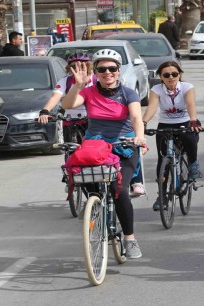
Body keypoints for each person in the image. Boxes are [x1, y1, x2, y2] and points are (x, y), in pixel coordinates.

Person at [60, 48, 147, 258]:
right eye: (102, 69)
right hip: (95, 147)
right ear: (95, 72)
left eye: (112, 68)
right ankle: (95, 209)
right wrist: (78, 87)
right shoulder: (88, 92)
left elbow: (136, 117)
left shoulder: (128, 93)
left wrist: (139, 136)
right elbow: (67, 105)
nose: (107, 72)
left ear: (118, 71)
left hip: (123, 146)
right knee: (89, 185)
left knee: (121, 191)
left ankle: (130, 239)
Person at [142, 61, 202, 210]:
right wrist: (143, 122)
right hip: (165, 125)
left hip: (186, 122)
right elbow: (152, 107)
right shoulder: (156, 89)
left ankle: (193, 164)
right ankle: (162, 196)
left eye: (174, 74)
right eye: (166, 75)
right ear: (160, 77)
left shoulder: (187, 87)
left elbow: (190, 104)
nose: (171, 77)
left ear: (179, 75)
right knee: (162, 159)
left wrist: (193, 120)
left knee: (190, 140)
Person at [38, 52, 95, 141]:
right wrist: (45, 111)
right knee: (68, 148)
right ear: (69, 68)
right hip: (69, 119)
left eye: (81, 65)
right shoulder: (65, 81)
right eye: (73, 66)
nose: (77, 69)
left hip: (91, 119)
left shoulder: (96, 80)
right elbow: (55, 97)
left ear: (88, 66)